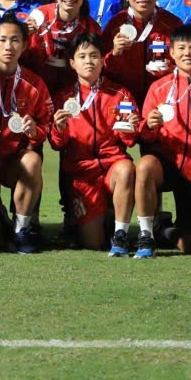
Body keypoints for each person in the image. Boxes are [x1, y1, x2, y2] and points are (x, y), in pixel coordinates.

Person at [134, 24, 191, 258]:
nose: (187, 53)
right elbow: (144, 135)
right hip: (167, 163)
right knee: (145, 166)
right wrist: (150, 125)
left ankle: (163, 229)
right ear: (172, 52)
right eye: (181, 47)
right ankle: (146, 234)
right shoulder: (159, 87)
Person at [0, 17, 54, 253]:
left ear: (24, 45)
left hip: (13, 163)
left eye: (15, 40)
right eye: (2, 40)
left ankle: (21, 228)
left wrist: (35, 131)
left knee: (33, 160)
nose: (8, 46)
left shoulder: (35, 84)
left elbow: (47, 124)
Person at [49, 33, 140, 255]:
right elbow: (56, 144)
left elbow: (130, 141)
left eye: (94, 56)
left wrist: (131, 128)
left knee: (126, 168)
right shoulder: (63, 97)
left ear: (102, 60)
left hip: (112, 167)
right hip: (82, 174)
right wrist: (59, 128)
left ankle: (120, 234)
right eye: (82, 56)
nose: (88, 61)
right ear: (72, 63)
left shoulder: (120, 93)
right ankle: (105, 215)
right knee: (93, 243)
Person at [101, 0, 182, 106]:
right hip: (123, 98)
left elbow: (183, 63)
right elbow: (101, 68)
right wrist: (114, 53)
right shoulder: (115, 25)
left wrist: (172, 70)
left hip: (164, 97)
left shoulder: (173, 23)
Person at [21, 0, 101, 94]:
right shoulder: (38, 16)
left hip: (74, 93)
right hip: (36, 90)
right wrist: (23, 35)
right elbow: (23, 56)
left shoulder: (91, 27)